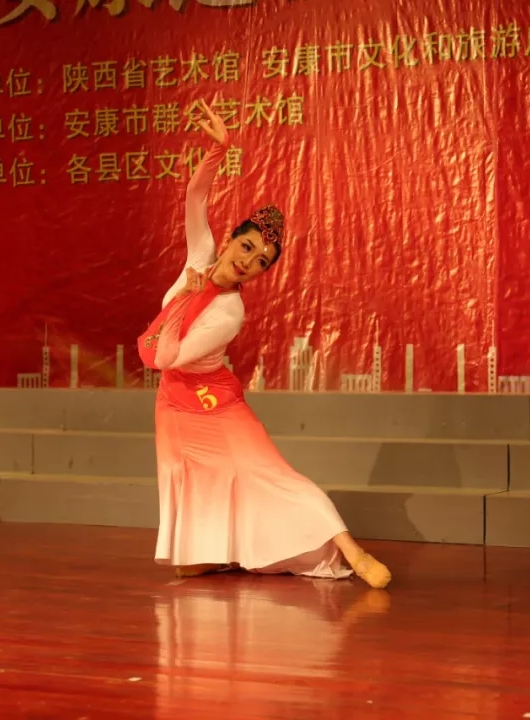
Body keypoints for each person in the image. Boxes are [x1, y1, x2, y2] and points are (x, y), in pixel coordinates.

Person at [137, 102, 392, 590]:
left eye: (260, 261)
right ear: (230, 239)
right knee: (192, 478)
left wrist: (185, 298)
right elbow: (195, 198)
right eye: (247, 246)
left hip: (216, 403)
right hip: (174, 401)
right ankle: (210, 554)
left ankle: (352, 552)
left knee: (269, 472)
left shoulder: (229, 312)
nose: (248, 260)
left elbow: (170, 355)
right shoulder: (200, 258)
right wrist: (219, 151)